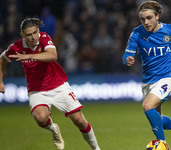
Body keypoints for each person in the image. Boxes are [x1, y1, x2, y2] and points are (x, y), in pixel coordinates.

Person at [0, 18, 100, 150]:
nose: (33, 37)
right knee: (41, 119)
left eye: (35, 32)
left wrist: (30, 56)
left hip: (58, 85)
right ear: (22, 35)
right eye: (29, 34)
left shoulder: (44, 38)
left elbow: (53, 55)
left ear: (38, 30)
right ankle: (54, 129)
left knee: (79, 121)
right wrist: (0, 81)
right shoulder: (16, 47)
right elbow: (2, 58)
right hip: (37, 90)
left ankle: (96, 148)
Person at [122, 1, 171, 147]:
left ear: (157, 16)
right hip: (148, 81)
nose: (146, 22)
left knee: (147, 106)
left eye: (149, 18)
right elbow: (126, 54)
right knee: (157, 119)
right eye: (142, 19)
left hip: (167, 78)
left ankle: (162, 144)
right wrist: (127, 59)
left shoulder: (170, 30)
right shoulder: (136, 33)